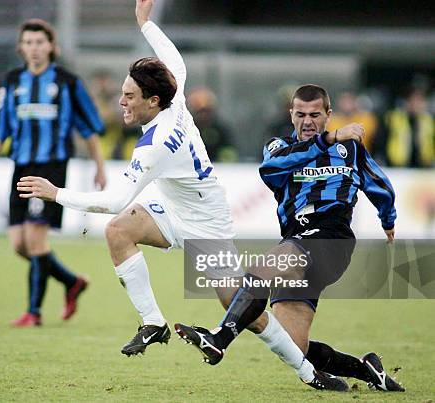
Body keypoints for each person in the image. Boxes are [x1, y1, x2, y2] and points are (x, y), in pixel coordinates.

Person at [17, 1, 349, 391]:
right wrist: (146, 25)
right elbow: (176, 62)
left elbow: (114, 200)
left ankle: (309, 373)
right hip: (172, 208)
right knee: (118, 232)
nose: (121, 102)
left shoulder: (156, 144)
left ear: (152, 101)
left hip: (206, 224)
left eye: (129, 96)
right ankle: (153, 323)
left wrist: (57, 194)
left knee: (242, 307)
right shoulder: (173, 99)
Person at [175, 84, 405, 392]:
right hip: (297, 239)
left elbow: (379, 184)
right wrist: (329, 138)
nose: (307, 121)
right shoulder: (278, 147)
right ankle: (368, 371)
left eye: (315, 115)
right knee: (293, 344)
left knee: (262, 268)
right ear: (291, 115)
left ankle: (220, 338)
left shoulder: (349, 149)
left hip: (331, 239)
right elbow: (272, 168)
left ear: (328, 114)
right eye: (301, 114)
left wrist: (387, 218)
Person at [0, 18, 107, 328]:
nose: (34, 48)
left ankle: (33, 314)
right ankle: (72, 281)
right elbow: (2, 126)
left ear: (51, 46)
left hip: (51, 168)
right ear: (21, 48)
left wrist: (99, 167)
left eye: (40, 42)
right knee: (20, 245)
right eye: (28, 42)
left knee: (36, 241)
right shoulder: (11, 81)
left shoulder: (67, 82)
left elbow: (89, 129)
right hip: (20, 166)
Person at [378, 88, 433, 168]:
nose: (416, 104)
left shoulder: (428, 120)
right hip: (398, 165)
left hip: (423, 165)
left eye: (419, 101)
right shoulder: (394, 118)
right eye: (413, 101)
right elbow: (382, 139)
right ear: (407, 102)